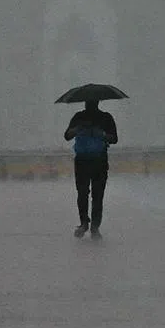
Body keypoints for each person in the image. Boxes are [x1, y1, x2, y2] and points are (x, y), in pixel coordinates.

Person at [63, 99, 118, 238]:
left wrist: (78, 129)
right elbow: (114, 138)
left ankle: (85, 224)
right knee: (96, 195)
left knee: (84, 193)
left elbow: (67, 136)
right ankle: (93, 226)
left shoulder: (79, 117)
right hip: (98, 160)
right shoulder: (106, 118)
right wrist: (102, 134)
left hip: (83, 161)